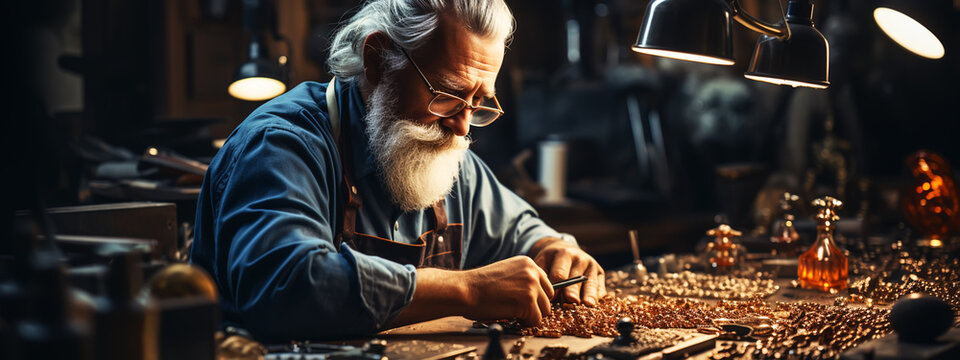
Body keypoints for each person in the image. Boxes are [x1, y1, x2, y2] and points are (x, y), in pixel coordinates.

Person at [190, 0, 605, 341]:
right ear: (378, 60)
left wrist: (556, 250)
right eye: (447, 94)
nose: (462, 126)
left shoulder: (443, 151)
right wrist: (467, 289)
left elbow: (524, 233)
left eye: (479, 103)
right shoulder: (281, 145)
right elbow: (289, 286)